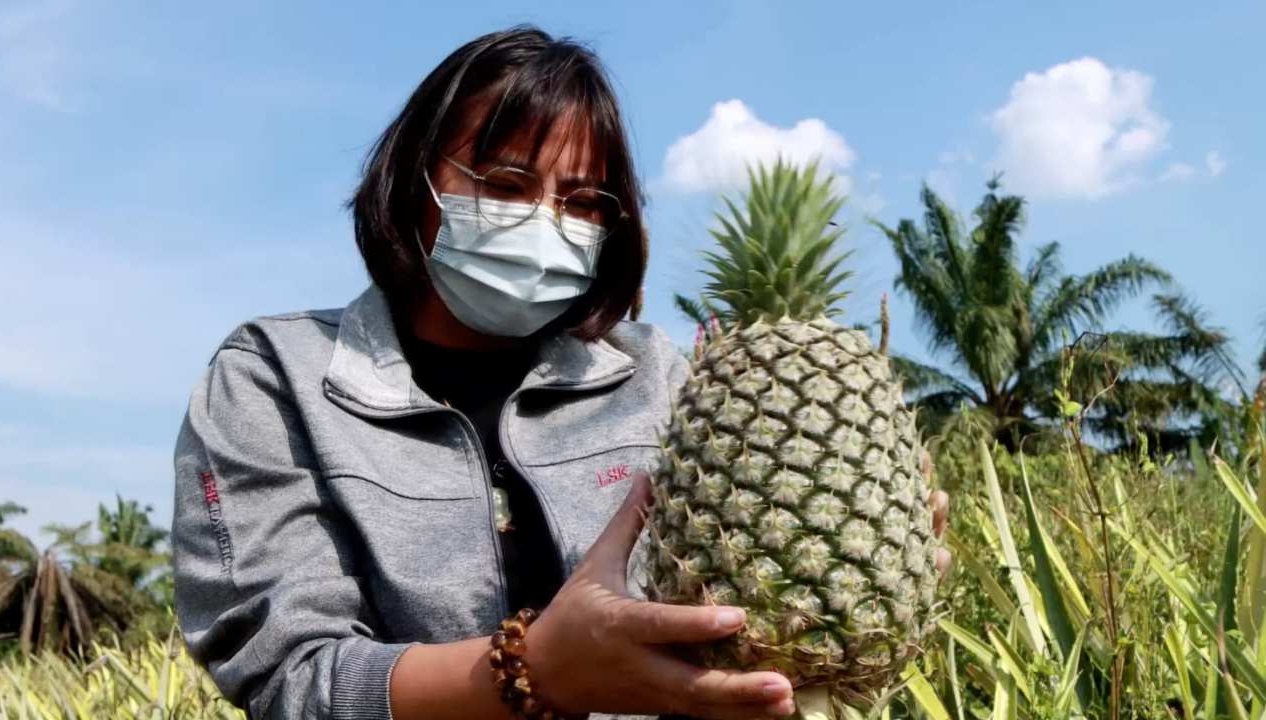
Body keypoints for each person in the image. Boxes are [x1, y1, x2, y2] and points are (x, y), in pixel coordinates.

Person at [171, 25, 950, 720]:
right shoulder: (277, 379)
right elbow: (292, 682)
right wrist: (534, 672)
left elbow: (729, 627)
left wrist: (847, 595)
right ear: (418, 183)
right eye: (506, 186)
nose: (546, 222)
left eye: (582, 202)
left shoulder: (661, 379)